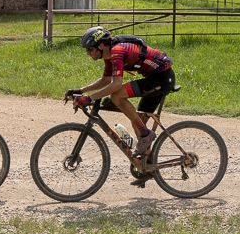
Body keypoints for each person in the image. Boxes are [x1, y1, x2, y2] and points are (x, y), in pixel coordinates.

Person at [67, 26, 176, 165]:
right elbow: (105, 80)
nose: (88, 53)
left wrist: (90, 98)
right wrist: (81, 90)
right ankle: (147, 165)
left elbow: (116, 84)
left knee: (117, 96)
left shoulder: (117, 52)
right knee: (138, 120)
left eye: (90, 49)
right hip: (153, 78)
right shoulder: (109, 54)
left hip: (161, 78)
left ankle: (146, 135)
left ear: (101, 45)